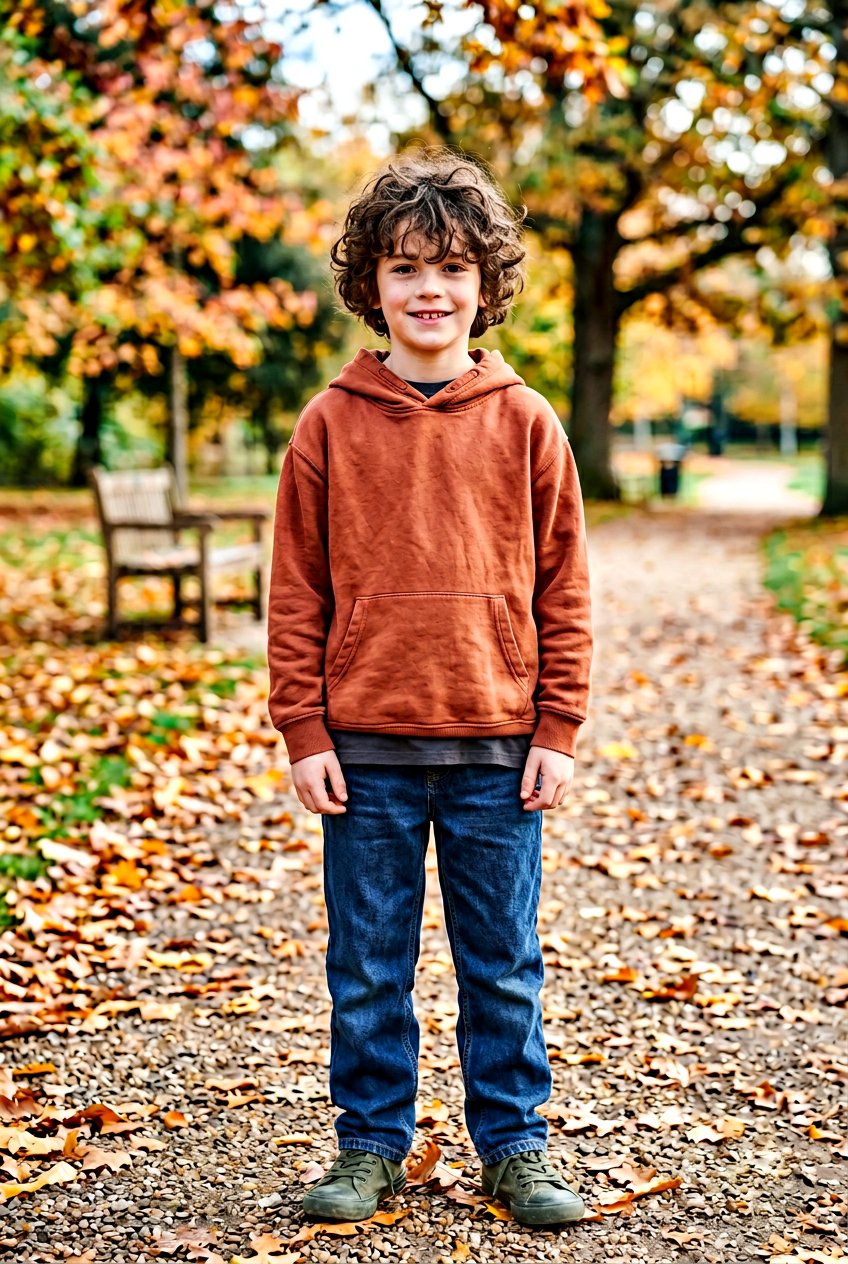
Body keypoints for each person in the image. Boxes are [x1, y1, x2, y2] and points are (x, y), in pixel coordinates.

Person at [267, 147, 593, 1228]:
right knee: (367, 967)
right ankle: (369, 1146)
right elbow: (295, 592)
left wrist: (558, 724)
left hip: (498, 747)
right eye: (403, 266)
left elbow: (564, 589)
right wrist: (303, 727)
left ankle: (514, 1144)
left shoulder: (527, 422)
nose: (427, 288)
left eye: (450, 266)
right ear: (370, 284)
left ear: (484, 285)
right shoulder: (326, 424)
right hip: (364, 749)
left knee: (501, 964)